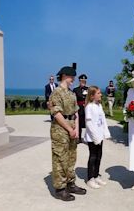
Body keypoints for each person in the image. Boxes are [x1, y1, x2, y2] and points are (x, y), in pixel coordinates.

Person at [49, 66, 86, 201]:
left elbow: (76, 112)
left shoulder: (71, 93)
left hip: (71, 127)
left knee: (71, 157)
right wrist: (70, 129)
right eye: (72, 77)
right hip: (60, 129)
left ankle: (70, 183)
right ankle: (60, 189)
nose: (73, 80)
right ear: (64, 76)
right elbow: (57, 114)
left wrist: (76, 129)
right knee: (60, 158)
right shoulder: (56, 93)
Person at [84, 86, 111, 189]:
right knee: (93, 156)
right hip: (92, 137)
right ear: (92, 95)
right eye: (98, 93)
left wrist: (106, 131)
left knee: (99, 156)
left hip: (100, 136)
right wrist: (95, 137)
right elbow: (89, 123)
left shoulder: (99, 106)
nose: (101, 94)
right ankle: (90, 178)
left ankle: (96, 175)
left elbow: (103, 119)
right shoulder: (89, 107)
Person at [73, 74, 89, 143]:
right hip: (79, 109)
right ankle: (79, 138)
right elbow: (74, 100)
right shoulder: (75, 90)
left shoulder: (88, 89)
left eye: (84, 81)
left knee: (88, 124)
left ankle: (88, 138)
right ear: (79, 81)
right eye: (82, 81)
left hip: (87, 109)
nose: (83, 82)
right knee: (78, 124)